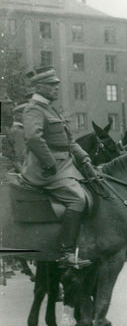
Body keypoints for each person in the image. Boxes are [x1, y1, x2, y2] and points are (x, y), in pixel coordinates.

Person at [21, 65, 99, 268]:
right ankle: (66, 253)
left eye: (56, 84)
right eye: (51, 85)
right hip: (45, 170)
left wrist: (85, 159)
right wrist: (49, 163)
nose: (57, 87)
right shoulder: (33, 109)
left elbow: (69, 141)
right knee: (77, 199)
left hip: (64, 165)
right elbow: (33, 138)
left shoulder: (49, 108)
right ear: (39, 87)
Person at [5, 100, 28, 172]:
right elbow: (21, 155)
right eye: (26, 113)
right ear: (17, 115)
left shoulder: (18, 130)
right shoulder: (18, 131)